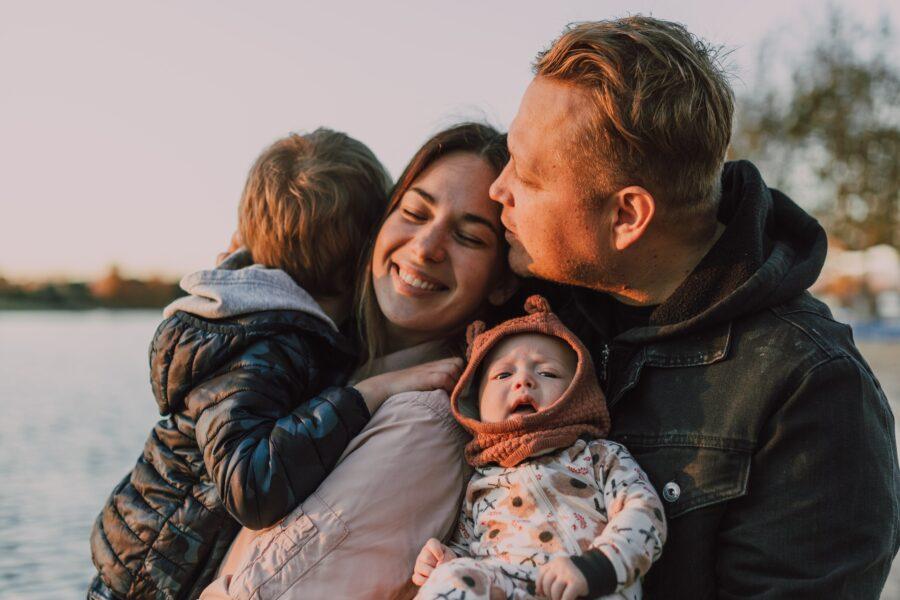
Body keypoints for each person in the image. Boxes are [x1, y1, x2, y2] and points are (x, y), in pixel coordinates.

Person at [488, 16, 900, 598]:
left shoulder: (810, 389)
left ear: (627, 217)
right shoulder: (537, 310)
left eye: (526, 176)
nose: (497, 190)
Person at [87, 128, 464, 599]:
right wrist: (369, 393)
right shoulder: (263, 344)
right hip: (151, 582)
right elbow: (253, 485)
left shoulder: (271, 325)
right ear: (360, 260)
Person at [200, 123, 519, 600]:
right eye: (414, 212)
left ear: (500, 283)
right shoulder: (310, 364)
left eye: (469, 238)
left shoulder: (424, 418)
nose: (426, 247)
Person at [413, 295, 666, 600]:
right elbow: (468, 546)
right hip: (511, 588)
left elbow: (643, 509)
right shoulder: (480, 482)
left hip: (590, 584)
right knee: (454, 577)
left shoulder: (599, 456)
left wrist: (600, 566)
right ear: (476, 402)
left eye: (547, 373)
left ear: (578, 393)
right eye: (503, 374)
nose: (523, 381)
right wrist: (446, 559)